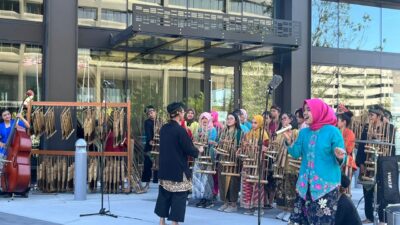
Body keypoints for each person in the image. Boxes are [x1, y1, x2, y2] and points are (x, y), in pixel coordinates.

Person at [283, 98, 346, 225]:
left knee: (322, 221)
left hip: (325, 187)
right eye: (304, 110)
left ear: (319, 111)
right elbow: (295, 153)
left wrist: (339, 156)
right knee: (300, 221)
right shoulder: (304, 132)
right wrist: (289, 142)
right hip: (304, 186)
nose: (305, 113)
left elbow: (341, 156)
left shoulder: (332, 131)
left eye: (309, 110)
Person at [154, 102, 203, 225]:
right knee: (179, 196)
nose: (184, 114)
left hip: (165, 168)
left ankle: (161, 220)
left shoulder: (164, 128)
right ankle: (174, 222)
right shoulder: (180, 130)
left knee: (164, 194)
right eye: (182, 111)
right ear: (178, 113)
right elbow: (189, 149)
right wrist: (199, 150)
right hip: (178, 169)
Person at [239, 115, 269, 216]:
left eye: (255, 122)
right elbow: (243, 146)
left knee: (257, 185)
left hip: (258, 162)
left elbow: (266, 148)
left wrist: (261, 149)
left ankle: (259, 208)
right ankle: (249, 207)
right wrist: (244, 146)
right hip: (248, 161)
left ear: (260, 123)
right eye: (252, 122)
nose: (253, 125)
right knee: (247, 183)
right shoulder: (248, 134)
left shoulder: (263, 134)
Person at [274, 113, 299, 222]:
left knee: (290, 188)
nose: (282, 120)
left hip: (290, 164)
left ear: (291, 120)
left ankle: (290, 210)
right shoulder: (280, 132)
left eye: (285, 118)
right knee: (281, 188)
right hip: (280, 164)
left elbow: (296, 147)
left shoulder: (295, 132)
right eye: (282, 119)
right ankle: (284, 209)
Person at [217, 112, 243, 213]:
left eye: (231, 118)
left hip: (233, 159)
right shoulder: (223, 131)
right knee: (222, 180)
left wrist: (236, 149)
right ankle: (225, 202)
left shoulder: (239, 132)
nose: (228, 120)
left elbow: (242, 146)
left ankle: (233, 204)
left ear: (236, 121)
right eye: (228, 118)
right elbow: (219, 143)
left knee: (232, 181)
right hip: (223, 158)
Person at [192, 112, 217, 208]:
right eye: (202, 119)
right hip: (199, 155)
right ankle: (201, 198)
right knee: (199, 177)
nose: (204, 120)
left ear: (210, 120)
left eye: (206, 118)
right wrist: (197, 143)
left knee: (207, 178)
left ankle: (209, 199)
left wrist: (204, 140)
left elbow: (212, 141)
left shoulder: (213, 130)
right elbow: (194, 140)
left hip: (208, 156)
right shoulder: (198, 129)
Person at [0, 109, 30, 187]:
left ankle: (12, 186)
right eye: (5, 115)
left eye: (8, 114)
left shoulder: (15, 122)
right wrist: (1, 143)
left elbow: (28, 126)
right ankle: (2, 186)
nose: (7, 116)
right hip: (4, 150)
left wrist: (21, 117)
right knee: (1, 169)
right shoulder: (1, 126)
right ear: (2, 117)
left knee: (12, 170)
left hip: (14, 150)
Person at [337, 112, 357, 194]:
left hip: (345, 157)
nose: (336, 122)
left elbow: (346, 149)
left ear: (344, 122)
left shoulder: (349, 133)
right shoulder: (336, 131)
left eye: (338, 120)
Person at [142, 105, 157, 190]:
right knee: (148, 164)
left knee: (159, 165)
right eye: (149, 113)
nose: (151, 114)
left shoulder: (159, 121)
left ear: (155, 112)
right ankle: (147, 183)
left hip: (159, 146)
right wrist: (150, 140)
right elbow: (148, 133)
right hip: (150, 146)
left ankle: (159, 182)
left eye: (152, 112)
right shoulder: (147, 122)